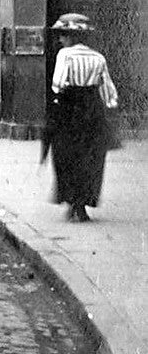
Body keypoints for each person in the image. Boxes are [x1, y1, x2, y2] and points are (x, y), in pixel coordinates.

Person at [44, 13, 117, 222]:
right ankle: (83, 203)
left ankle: (71, 202)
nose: (60, 40)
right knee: (91, 158)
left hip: (70, 110)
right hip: (93, 110)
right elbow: (109, 91)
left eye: (63, 35)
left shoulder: (65, 55)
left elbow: (57, 84)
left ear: (71, 37)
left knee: (66, 156)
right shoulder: (98, 57)